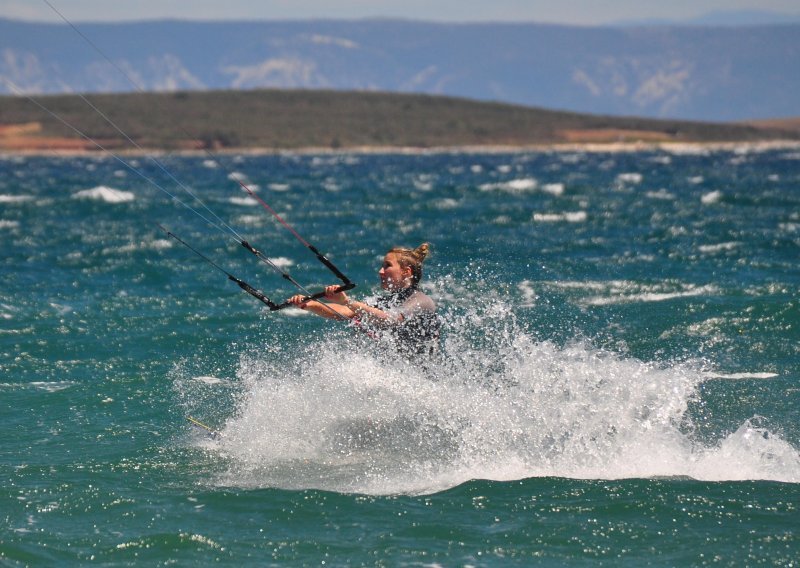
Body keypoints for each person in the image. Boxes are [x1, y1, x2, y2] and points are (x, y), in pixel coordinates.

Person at [288, 243, 440, 356]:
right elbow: (347, 312)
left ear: (406, 272)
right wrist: (309, 304)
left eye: (387, 266)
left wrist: (347, 301)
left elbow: (391, 320)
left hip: (421, 381)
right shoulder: (387, 301)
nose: (380, 271)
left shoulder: (421, 301)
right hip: (398, 375)